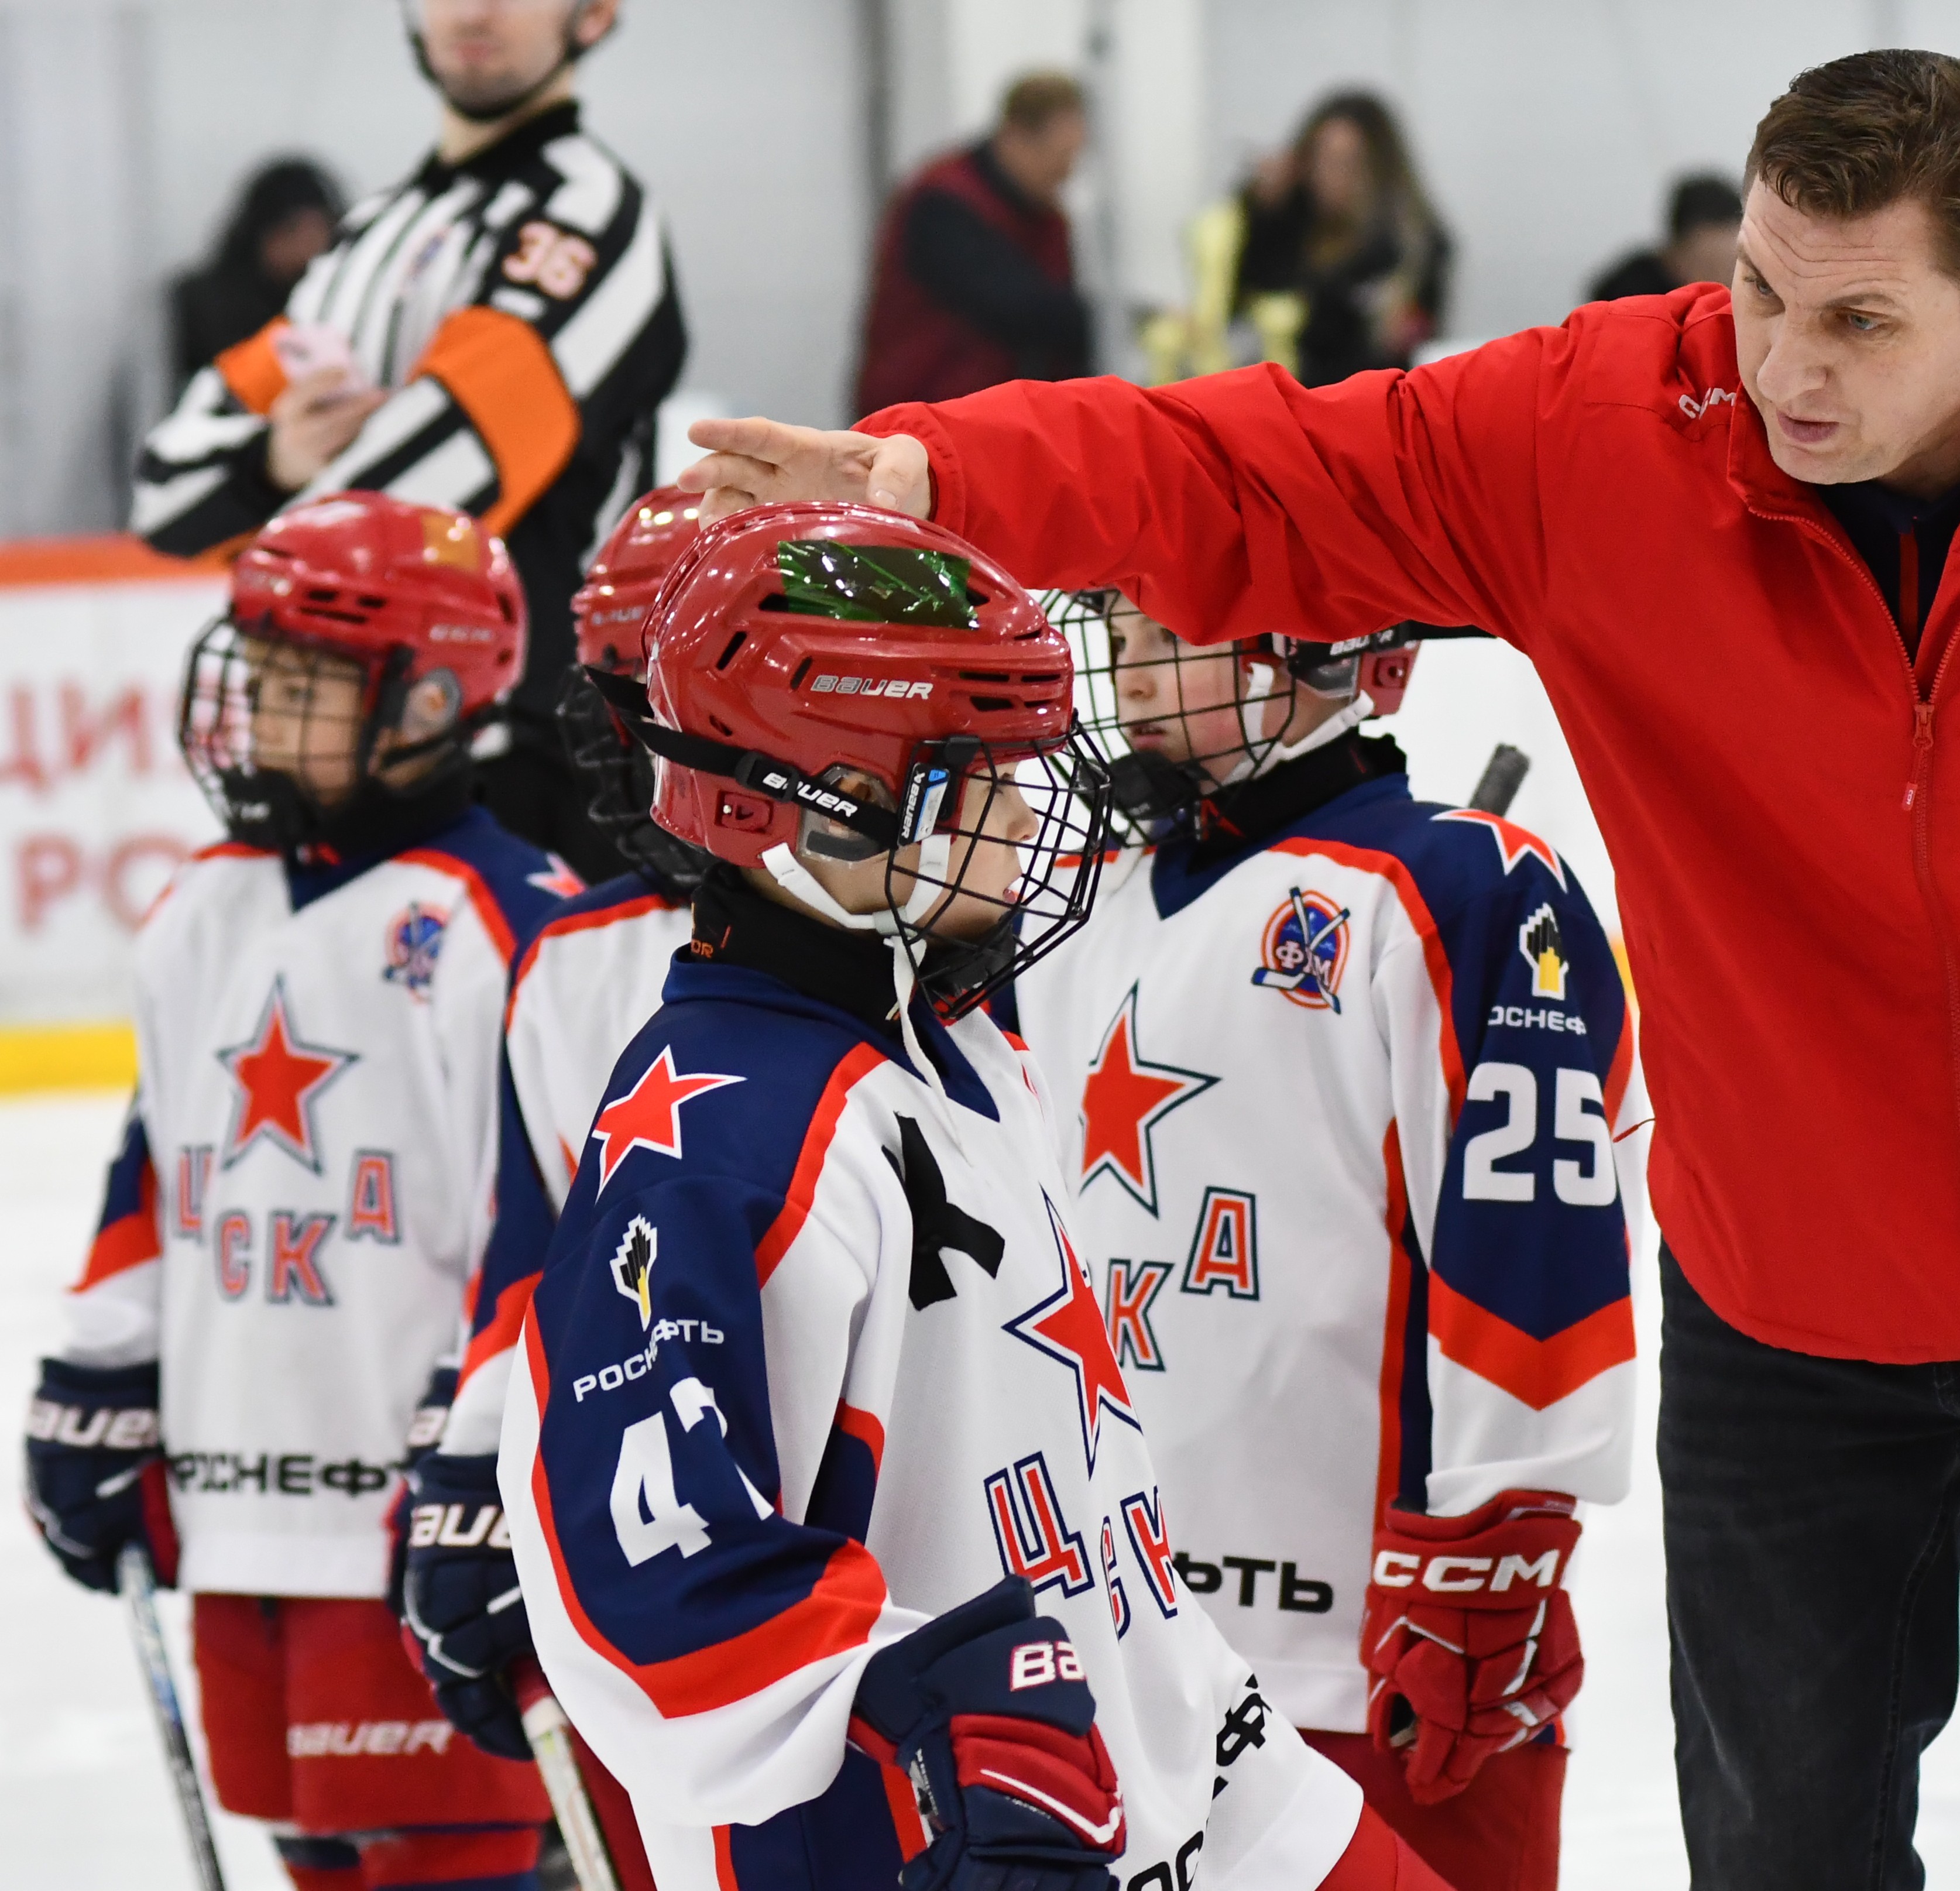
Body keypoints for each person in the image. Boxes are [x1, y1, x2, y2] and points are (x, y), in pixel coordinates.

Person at [675, 46, 1960, 1891]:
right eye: (1756, 290)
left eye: (1855, 324)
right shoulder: (1606, 437)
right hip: (1791, 1287)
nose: (1776, 367)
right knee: (1780, 1848)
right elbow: (1263, 472)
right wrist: (945, 472)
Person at [493, 502, 1451, 1889]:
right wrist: (925, 1701)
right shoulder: (728, 1137)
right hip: (933, 1846)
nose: (1028, 823)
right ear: (804, 810)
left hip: (1197, 1767)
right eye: (973, 782)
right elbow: (638, 1577)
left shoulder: (958, 1033)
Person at [1000, 596, 1642, 1890]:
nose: (1119, 662)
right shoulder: (1079, 897)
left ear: (1321, 649)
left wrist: (1492, 1543)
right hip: (1121, 1656)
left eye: (1163, 621)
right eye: (1113, 621)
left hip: (1375, 1663)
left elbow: (1535, 1248)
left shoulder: (1463, 886)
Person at [23, 492, 568, 1891]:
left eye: (305, 685)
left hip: (406, 1533)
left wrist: (482, 1471)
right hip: (237, 1512)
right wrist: (100, 1372)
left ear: (432, 697)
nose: (260, 715)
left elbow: (539, 1245)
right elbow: (153, 1170)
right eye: (256, 677)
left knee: (451, 1860)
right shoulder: (201, 905)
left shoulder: (512, 925)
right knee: (312, 1849)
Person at [132, 0, 686, 884]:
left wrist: (269, 499)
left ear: (595, 14)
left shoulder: (593, 216)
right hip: (342, 762)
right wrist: (274, 460)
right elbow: (164, 489)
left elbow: (434, 491)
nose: (476, 8)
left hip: (530, 764)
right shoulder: (365, 237)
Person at [394, 488, 710, 1891]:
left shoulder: (976, 944)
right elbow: (532, 1267)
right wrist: (471, 1476)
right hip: (669, 1542)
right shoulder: (576, 956)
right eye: (616, 680)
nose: (619, 728)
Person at [850, 71, 1093, 417]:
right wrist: (1121, 322)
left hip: (988, 424)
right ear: (1016, 137)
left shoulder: (1045, 217)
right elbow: (1017, 307)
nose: (1067, 173)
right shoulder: (943, 203)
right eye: (1061, 157)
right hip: (917, 419)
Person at [1237, 92, 1453, 384]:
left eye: (1346, 163)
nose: (1327, 175)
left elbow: (1394, 357)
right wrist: (1264, 210)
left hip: (1366, 409)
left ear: (1377, 170)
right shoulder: (1293, 226)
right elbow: (1244, 302)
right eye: (1319, 159)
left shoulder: (1411, 248)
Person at [169, 158, 345, 382]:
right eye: (293, 229)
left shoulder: (332, 301)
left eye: (320, 229)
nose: (308, 244)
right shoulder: (205, 305)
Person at [1587, 173, 1742, 305]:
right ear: (1676, 252)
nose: (1723, 283)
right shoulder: (1629, 299)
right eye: (1710, 268)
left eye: (1732, 268)